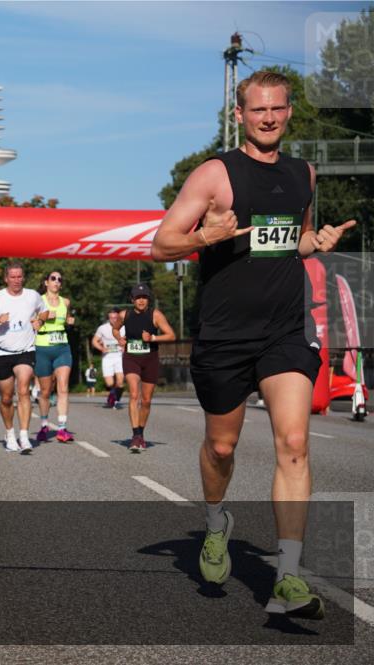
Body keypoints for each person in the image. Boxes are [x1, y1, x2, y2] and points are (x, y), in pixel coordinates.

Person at [151, 70, 355, 618]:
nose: (269, 118)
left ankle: (287, 576)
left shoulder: (302, 174)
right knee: (222, 448)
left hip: (285, 331)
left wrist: (319, 241)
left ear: (289, 112)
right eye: (258, 110)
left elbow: (296, 240)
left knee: (294, 442)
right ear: (239, 115)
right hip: (223, 335)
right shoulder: (215, 175)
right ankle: (217, 521)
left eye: (278, 109)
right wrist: (204, 237)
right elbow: (160, 243)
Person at [0, 261, 44, 452]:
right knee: (6, 398)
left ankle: (24, 436)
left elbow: (44, 310)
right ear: (6, 278)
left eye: (19, 276)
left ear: (23, 277)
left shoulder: (32, 295)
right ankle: (9, 434)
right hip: (3, 353)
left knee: (23, 390)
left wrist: (39, 320)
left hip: (26, 351)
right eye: (13, 277)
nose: (16, 280)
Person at [111, 284, 175, 453]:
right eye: (138, 297)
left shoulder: (155, 315)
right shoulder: (125, 314)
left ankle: (141, 433)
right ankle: (135, 435)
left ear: (148, 299)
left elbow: (171, 335)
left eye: (144, 297)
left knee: (146, 400)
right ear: (132, 300)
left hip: (150, 359)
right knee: (134, 394)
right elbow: (115, 329)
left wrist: (153, 337)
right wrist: (120, 339)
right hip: (131, 358)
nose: (141, 300)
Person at [33, 270, 75, 443]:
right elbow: (31, 323)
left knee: (63, 387)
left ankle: (62, 429)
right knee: (45, 391)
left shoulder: (65, 302)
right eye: (53, 278)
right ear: (46, 282)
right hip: (42, 348)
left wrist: (70, 322)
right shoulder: (37, 301)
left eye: (59, 279)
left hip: (62, 348)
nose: (57, 281)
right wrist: (41, 319)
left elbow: (67, 319)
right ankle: (44, 425)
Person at [92, 308, 125, 409]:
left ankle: (116, 401)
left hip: (119, 357)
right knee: (109, 383)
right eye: (111, 318)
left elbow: (129, 339)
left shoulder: (124, 328)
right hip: (107, 358)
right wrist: (102, 348)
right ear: (108, 318)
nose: (113, 320)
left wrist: (125, 346)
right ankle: (112, 396)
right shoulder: (102, 328)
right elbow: (94, 341)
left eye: (115, 317)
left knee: (120, 382)